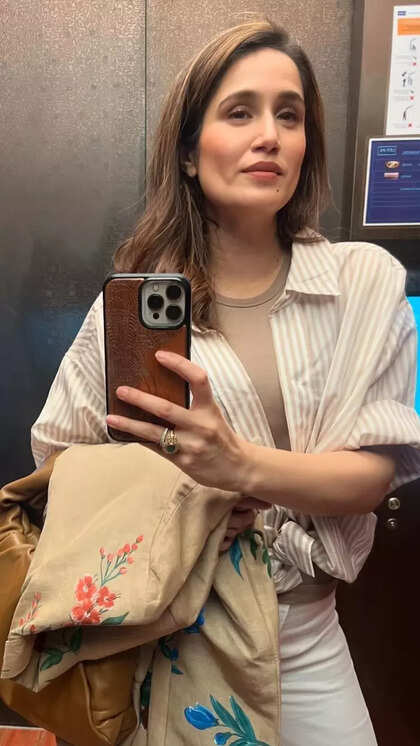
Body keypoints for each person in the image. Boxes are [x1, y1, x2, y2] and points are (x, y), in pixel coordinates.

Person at [30, 19, 420, 746]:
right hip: (166, 635)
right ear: (188, 151)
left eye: (289, 115)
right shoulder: (131, 312)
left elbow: (370, 478)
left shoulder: (364, 284)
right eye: (239, 112)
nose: (269, 135)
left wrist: (237, 465)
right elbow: (57, 465)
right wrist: (182, 502)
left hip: (305, 635)